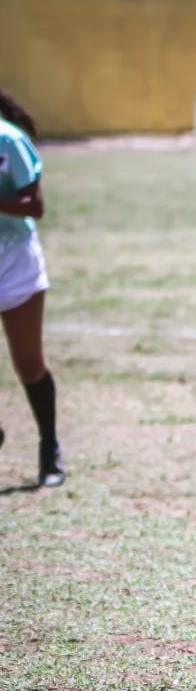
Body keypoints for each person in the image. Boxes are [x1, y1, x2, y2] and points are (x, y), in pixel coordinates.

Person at [0, 87, 63, 487]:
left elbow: (34, 206)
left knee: (28, 363)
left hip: (14, 258)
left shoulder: (9, 140)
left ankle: (49, 449)